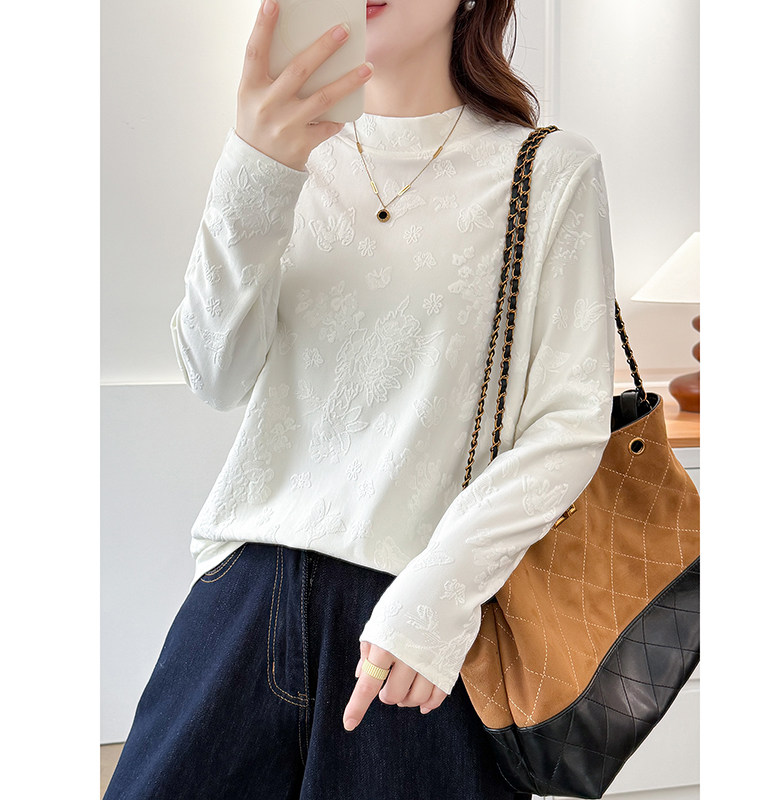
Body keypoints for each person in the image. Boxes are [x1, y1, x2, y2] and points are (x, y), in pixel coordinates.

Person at [104, 0, 617, 797]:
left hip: (410, 623)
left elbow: (567, 422)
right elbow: (215, 374)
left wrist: (437, 601)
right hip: (244, 597)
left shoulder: (547, 171)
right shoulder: (283, 153)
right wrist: (253, 169)